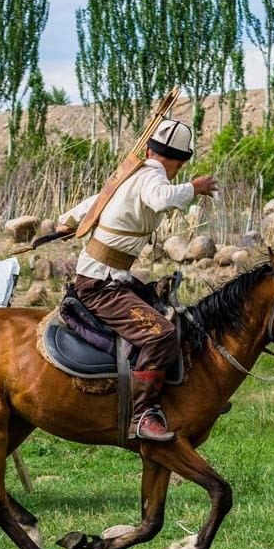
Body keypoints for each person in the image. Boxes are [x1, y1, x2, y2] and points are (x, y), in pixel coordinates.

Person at [56, 119, 215, 442]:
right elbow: (159, 199)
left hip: (109, 277)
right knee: (162, 335)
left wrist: (67, 221)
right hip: (102, 286)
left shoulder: (133, 172)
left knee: (167, 314)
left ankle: (173, 396)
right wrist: (194, 188)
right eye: (181, 167)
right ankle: (141, 416)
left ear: (148, 149)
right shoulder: (153, 175)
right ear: (180, 162)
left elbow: (98, 201)